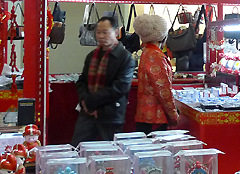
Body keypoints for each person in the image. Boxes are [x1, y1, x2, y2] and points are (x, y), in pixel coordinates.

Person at [71, 16, 135, 145]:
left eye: (105, 32)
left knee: (113, 152)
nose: (101, 36)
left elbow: (120, 87)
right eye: (98, 32)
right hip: (87, 112)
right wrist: (85, 101)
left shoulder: (125, 57)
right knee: (77, 148)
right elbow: (82, 81)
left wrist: (92, 103)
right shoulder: (92, 55)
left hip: (111, 114)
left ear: (116, 32)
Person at [133, 14, 180, 134]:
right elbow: (163, 90)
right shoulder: (157, 56)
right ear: (162, 34)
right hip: (156, 118)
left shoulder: (146, 53)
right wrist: (173, 115)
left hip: (144, 114)